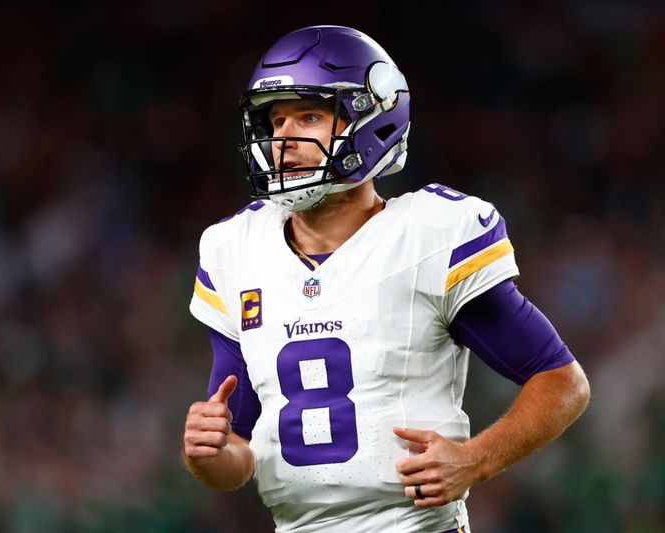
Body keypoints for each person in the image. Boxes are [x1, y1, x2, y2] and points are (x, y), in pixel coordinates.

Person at [182, 25, 590, 533]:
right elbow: (237, 458)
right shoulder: (234, 249)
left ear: (372, 119)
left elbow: (562, 382)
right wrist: (210, 454)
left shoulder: (431, 234)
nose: (284, 138)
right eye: (276, 120)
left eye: (308, 115)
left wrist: (476, 459)